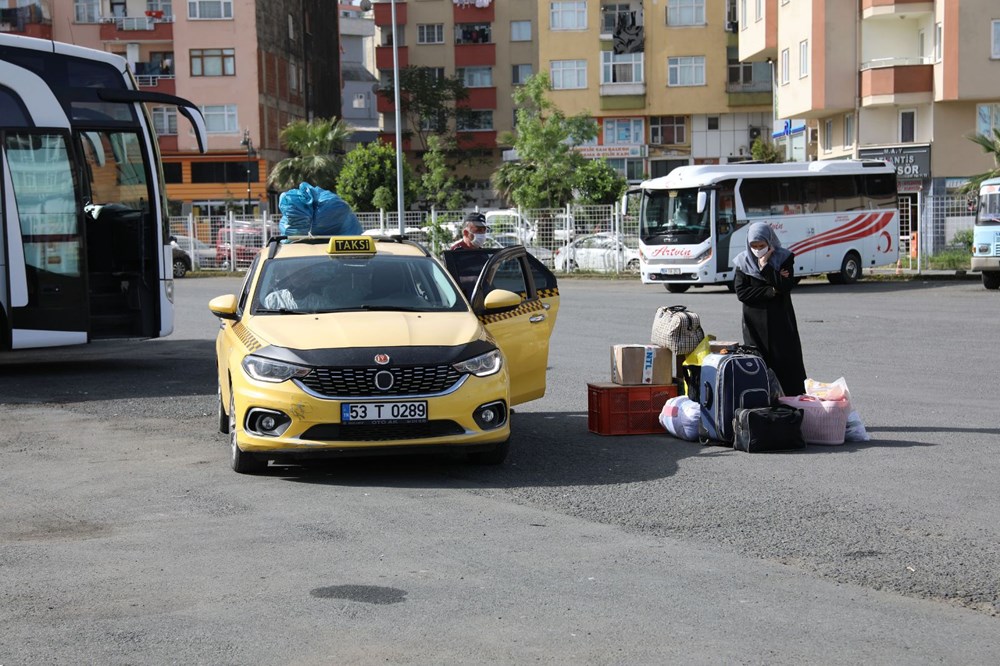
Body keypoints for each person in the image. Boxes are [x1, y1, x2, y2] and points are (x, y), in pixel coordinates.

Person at [733, 222, 807, 396]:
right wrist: (772, 289)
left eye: (762, 245)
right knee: (759, 365)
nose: (758, 250)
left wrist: (765, 267)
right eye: (754, 246)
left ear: (770, 241)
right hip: (754, 325)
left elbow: (786, 286)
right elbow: (742, 293)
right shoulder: (742, 262)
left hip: (781, 320)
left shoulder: (784, 257)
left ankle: (792, 405)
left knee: (787, 364)